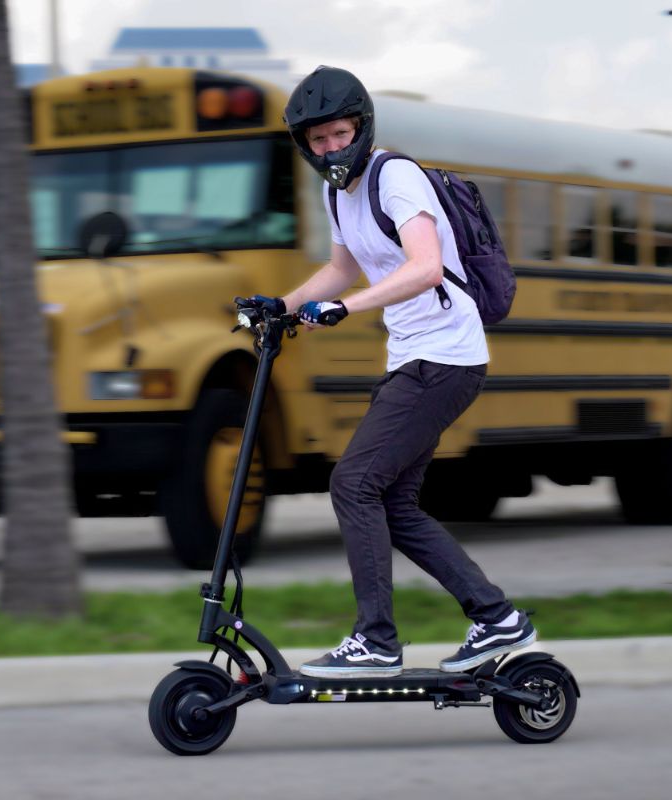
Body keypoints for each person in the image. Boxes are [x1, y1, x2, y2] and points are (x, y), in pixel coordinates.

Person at [240, 65, 535, 679]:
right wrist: (281, 305)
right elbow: (340, 271)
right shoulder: (337, 193)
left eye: (339, 135)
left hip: (446, 356)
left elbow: (426, 267)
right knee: (393, 501)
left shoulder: (395, 178)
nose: (330, 149)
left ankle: (375, 639)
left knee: (354, 484)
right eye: (317, 141)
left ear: (362, 129)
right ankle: (497, 617)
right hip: (413, 358)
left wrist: (345, 311)